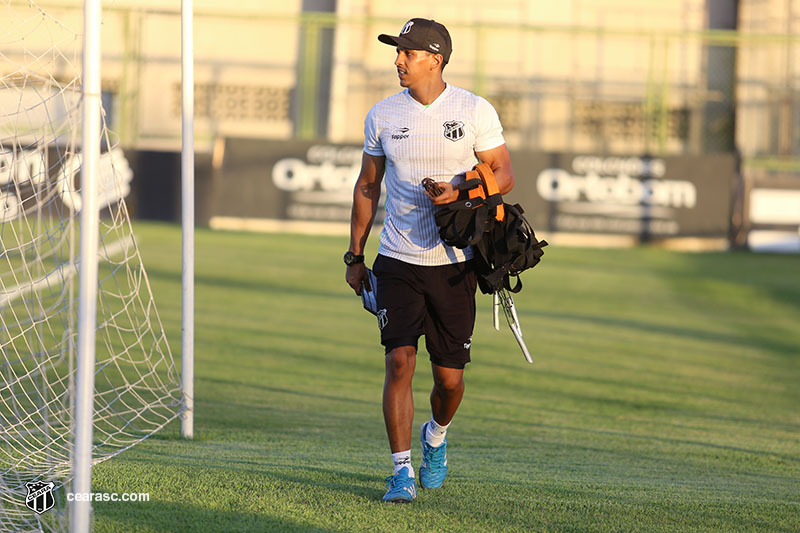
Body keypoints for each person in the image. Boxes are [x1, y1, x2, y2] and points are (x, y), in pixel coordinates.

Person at [344, 17, 514, 503]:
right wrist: (355, 256)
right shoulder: (381, 115)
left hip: (457, 263)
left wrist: (459, 187)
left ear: (435, 59)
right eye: (397, 52)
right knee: (398, 361)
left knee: (450, 381)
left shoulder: (473, 109)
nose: (398, 60)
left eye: (408, 53)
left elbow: (504, 173)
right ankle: (400, 471)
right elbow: (366, 186)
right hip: (396, 259)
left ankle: (435, 436)